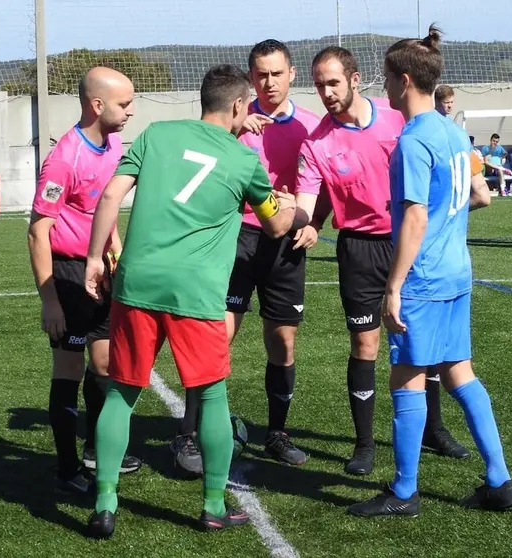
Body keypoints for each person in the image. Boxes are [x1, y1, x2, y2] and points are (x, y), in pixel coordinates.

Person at [84, 64, 301, 538]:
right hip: (196, 293)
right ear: (240, 105)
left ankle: (104, 504)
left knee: (121, 392)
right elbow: (277, 226)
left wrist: (95, 261)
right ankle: (213, 505)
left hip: (137, 283)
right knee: (212, 395)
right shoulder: (245, 162)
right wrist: (293, 205)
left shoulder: (156, 134)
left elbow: (110, 196)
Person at [347, 25, 512, 518]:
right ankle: (499, 479)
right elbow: (479, 195)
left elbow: (416, 216)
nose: (383, 88)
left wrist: (394, 286)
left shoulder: (414, 139)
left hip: (422, 278)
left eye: (385, 78)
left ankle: (404, 492)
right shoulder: (451, 130)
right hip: (457, 273)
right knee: (460, 371)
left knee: (406, 380)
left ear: (404, 80)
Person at [295, 46, 469, 477]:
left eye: (333, 82)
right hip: (357, 249)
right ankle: (364, 444)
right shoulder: (316, 142)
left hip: (407, 245)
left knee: (421, 344)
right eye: (319, 85)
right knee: (365, 346)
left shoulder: (398, 119)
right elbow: (307, 204)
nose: (326, 92)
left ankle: (435, 428)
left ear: (355, 79)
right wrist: (306, 221)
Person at [171, 40, 321, 475]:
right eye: (261, 74)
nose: (269, 82)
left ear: (291, 74)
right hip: (234, 242)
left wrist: (314, 224)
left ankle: (277, 433)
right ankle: (189, 430)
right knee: (215, 338)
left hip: (285, 246)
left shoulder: (311, 127)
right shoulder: (233, 120)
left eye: (277, 73)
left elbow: (323, 183)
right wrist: (235, 131)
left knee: (283, 341)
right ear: (250, 78)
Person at [27, 67, 142, 495]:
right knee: (69, 369)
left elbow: (104, 211)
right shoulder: (64, 159)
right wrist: (50, 300)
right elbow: (38, 231)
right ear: (97, 105)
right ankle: (66, 468)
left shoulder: (112, 143)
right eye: (124, 103)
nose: (131, 111)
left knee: (107, 364)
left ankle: (96, 448)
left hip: (101, 271)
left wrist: (114, 256)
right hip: (70, 276)